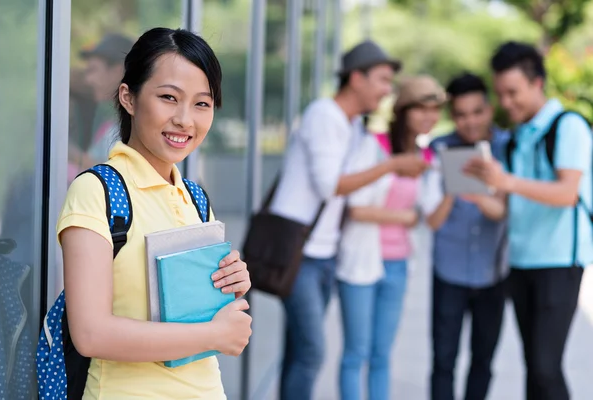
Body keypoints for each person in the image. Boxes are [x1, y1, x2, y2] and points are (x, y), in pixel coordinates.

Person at [58, 28, 252, 399]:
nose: (185, 120)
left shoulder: (195, 197)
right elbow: (90, 334)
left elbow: (189, 312)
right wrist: (214, 335)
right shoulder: (97, 192)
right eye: (168, 98)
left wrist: (230, 281)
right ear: (128, 98)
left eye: (202, 103)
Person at [271, 41, 429, 400]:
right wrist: (392, 165)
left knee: (299, 349)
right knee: (312, 352)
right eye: (383, 80)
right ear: (356, 78)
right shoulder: (324, 115)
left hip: (325, 254)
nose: (387, 90)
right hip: (300, 255)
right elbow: (331, 186)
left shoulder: (355, 126)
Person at [465, 41, 593, 400]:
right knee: (533, 368)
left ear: (537, 83)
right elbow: (505, 207)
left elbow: (567, 192)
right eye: (500, 94)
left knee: (545, 367)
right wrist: (477, 194)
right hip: (520, 263)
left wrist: (506, 181)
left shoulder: (568, 127)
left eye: (513, 92)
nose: (506, 102)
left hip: (558, 263)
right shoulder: (518, 136)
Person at [336, 75, 446, 400]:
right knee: (356, 352)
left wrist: (457, 187)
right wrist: (406, 217)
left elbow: (434, 217)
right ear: (403, 111)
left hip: (398, 265)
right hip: (360, 262)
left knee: (382, 355)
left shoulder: (428, 159)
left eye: (435, 109)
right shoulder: (373, 147)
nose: (429, 117)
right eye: (421, 109)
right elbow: (355, 208)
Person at [425, 73, 509, 400]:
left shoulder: (508, 146)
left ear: (489, 109)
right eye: (460, 114)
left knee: (483, 361)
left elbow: (503, 210)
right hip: (449, 271)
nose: (469, 121)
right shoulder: (438, 149)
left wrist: (477, 193)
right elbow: (430, 217)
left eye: (477, 112)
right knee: (443, 360)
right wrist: (451, 187)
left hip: (494, 272)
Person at [68, 33, 134, 180]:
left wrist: (68, 152)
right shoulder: (111, 123)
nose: (88, 80)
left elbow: (114, 178)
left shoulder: (134, 127)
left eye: (93, 70)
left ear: (117, 71)